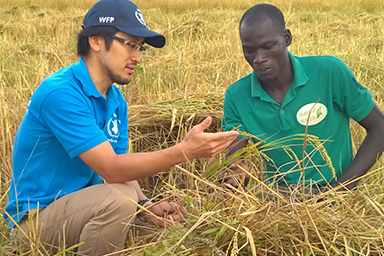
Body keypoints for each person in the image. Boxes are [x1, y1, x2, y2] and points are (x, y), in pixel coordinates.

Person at [3, 0, 238, 255]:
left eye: (140, 48)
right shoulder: (60, 93)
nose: (137, 57)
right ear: (95, 41)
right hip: (36, 225)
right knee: (117, 199)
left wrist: (147, 206)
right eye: (129, 44)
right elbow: (111, 169)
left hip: (86, 210)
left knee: (172, 233)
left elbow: (121, 163)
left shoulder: (115, 101)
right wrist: (184, 151)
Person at [220, 4, 384, 196]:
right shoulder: (236, 96)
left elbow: (379, 128)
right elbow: (234, 156)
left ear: (286, 38)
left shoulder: (329, 72)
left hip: (338, 194)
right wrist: (235, 170)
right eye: (249, 50)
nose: (258, 59)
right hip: (278, 198)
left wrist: (340, 190)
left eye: (268, 46)